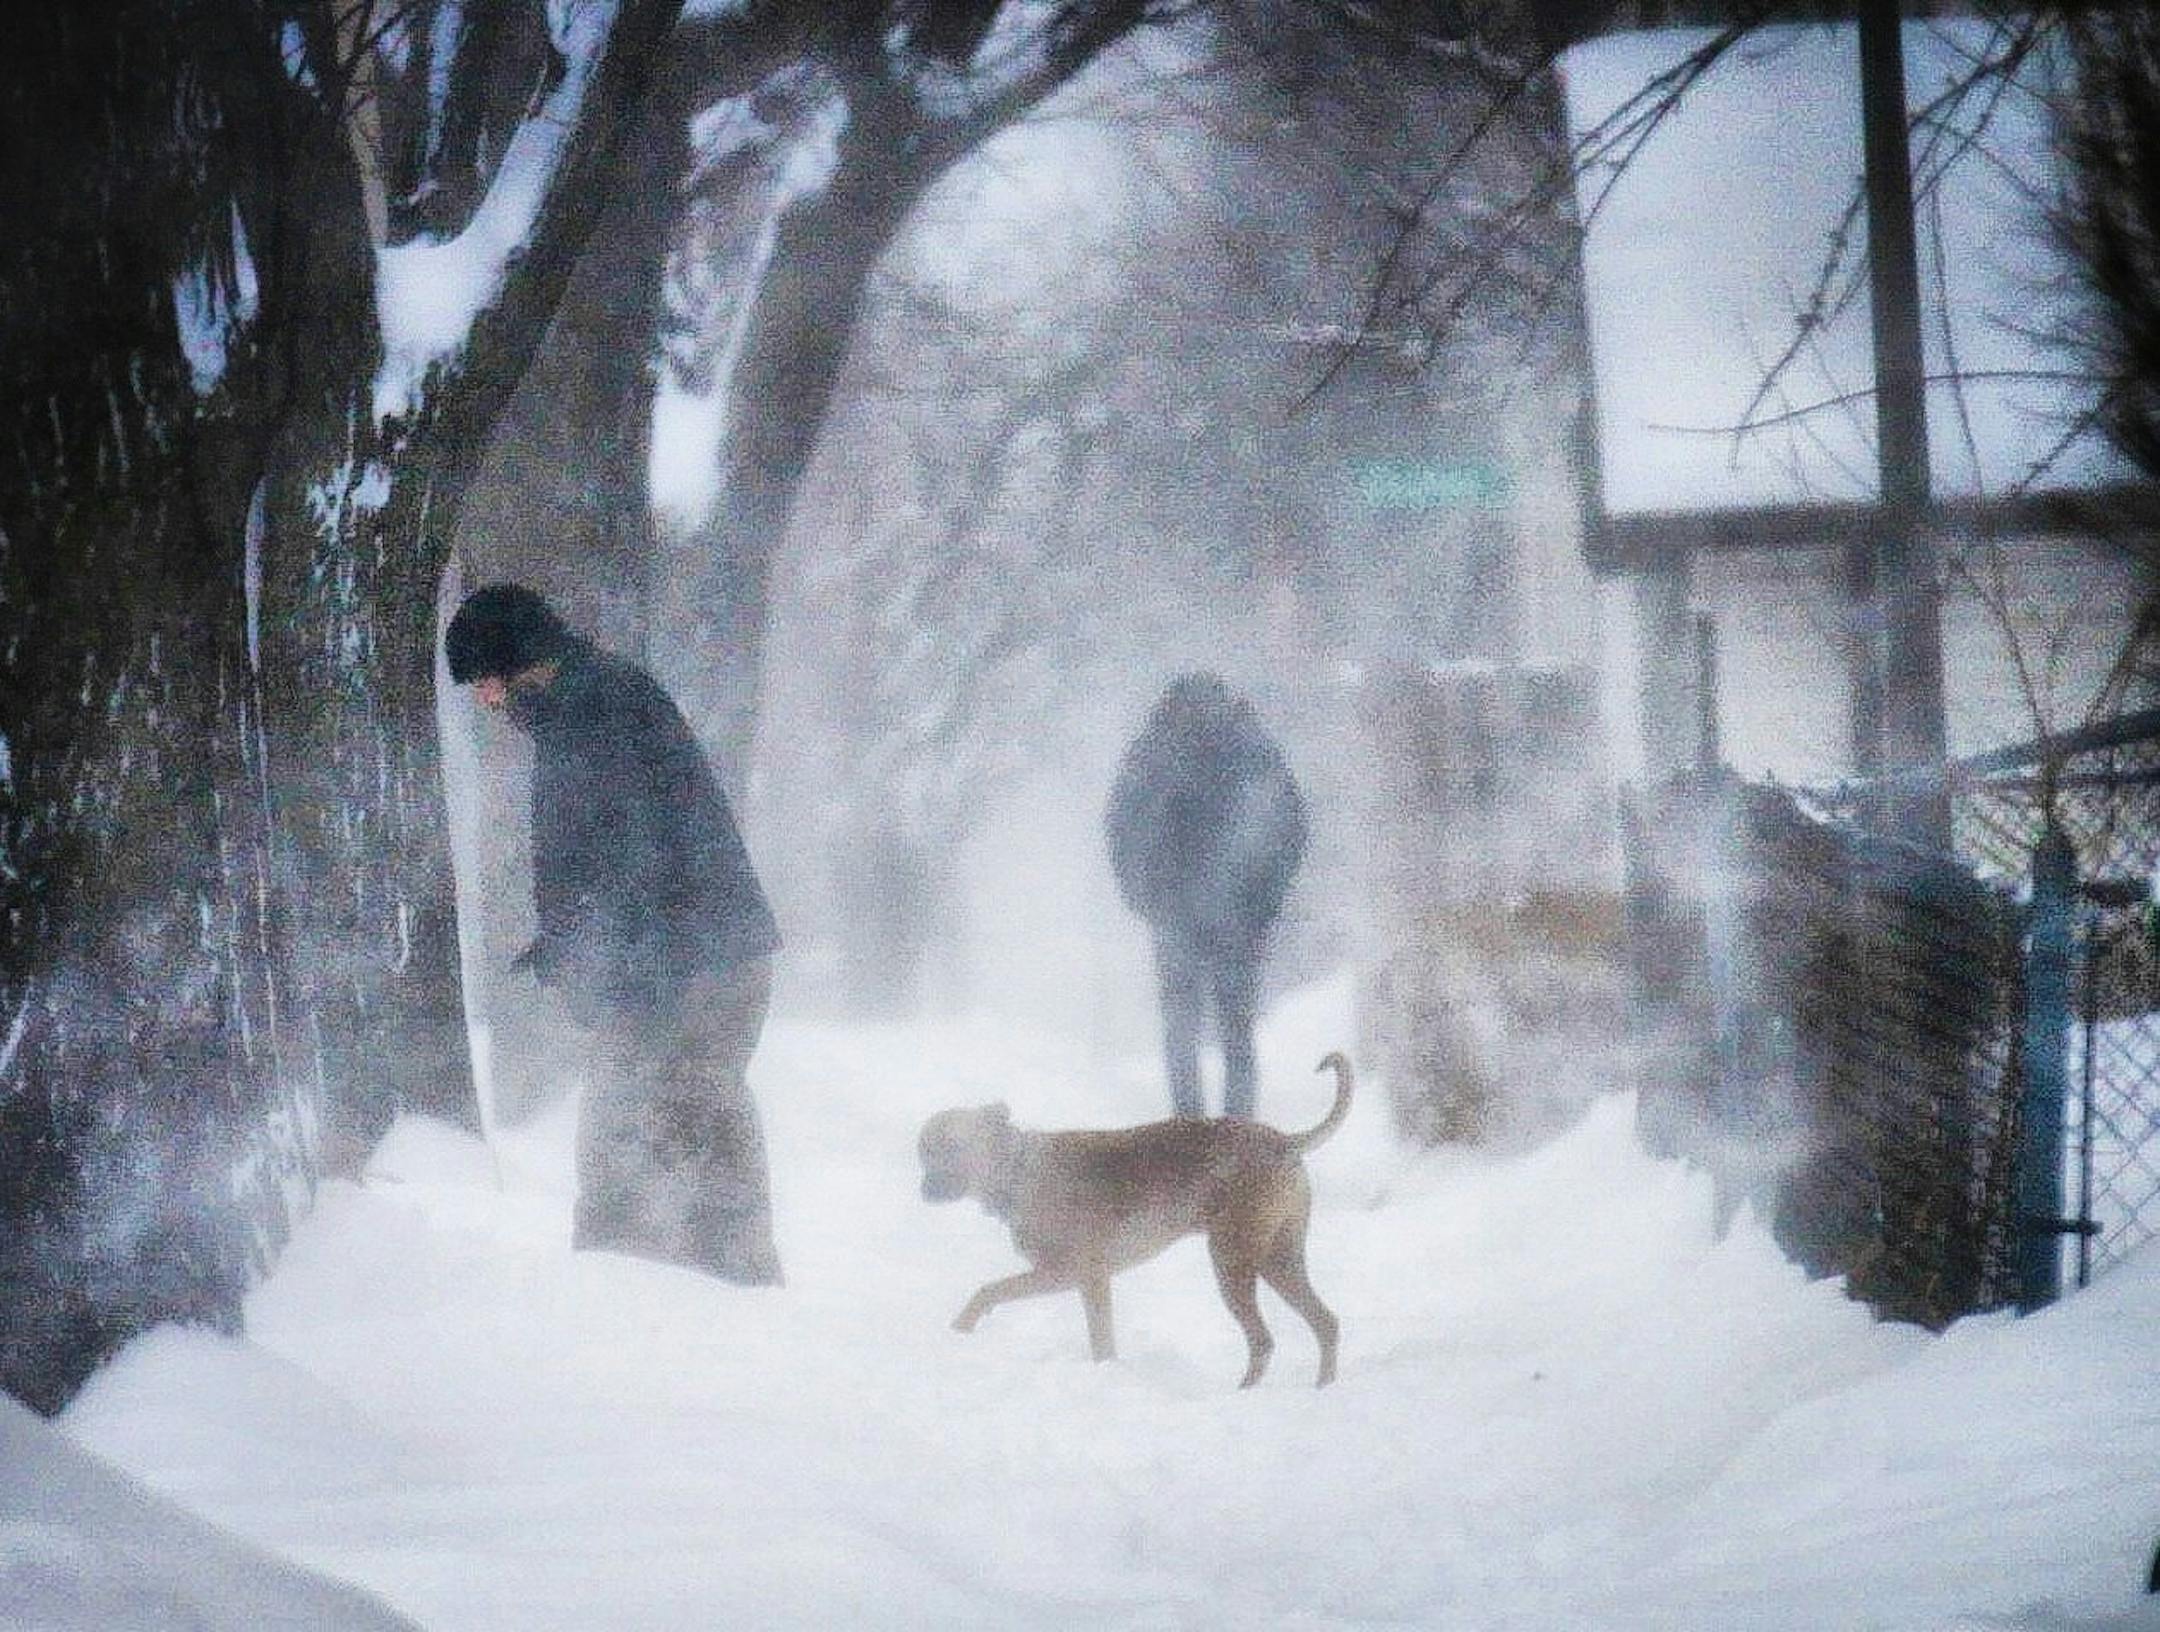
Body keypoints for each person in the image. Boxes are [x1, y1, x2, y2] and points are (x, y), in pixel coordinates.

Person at [445, 583, 783, 1285]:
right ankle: (698, 1282)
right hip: (693, 957)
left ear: (514, 663)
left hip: (692, 965)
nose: (484, 702)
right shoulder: (586, 705)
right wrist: (567, 945)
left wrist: (608, 959)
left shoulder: (597, 707)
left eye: (482, 682)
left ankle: (639, 1287)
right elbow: (605, 852)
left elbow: (641, 848)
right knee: (667, 1117)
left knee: (642, 1119)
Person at [1104, 671, 1307, 1120]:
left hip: (1181, 914)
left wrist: (1145, 898)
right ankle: (1236, 1134)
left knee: (1184, 1030)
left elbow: (1121, 828)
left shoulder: (1155, 749)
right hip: (1230, 917)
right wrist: (1264, 903)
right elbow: (1289, 827)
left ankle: (1189, 1133)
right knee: (1233, 1031)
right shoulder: (1249, 748)